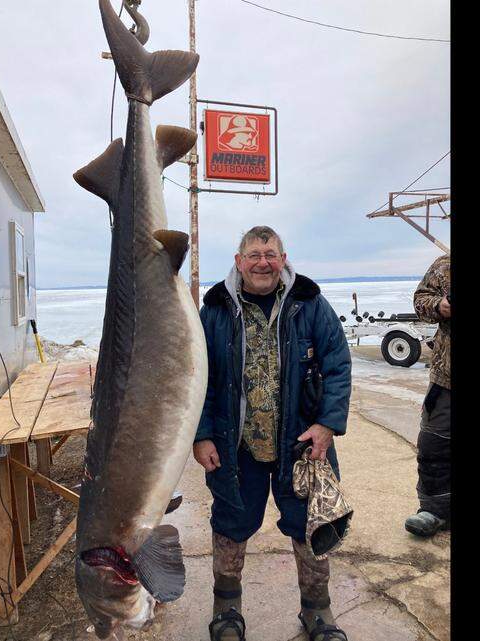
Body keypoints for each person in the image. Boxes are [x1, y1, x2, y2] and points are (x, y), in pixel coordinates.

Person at [193, 226, 352, 641]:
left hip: (301, 444)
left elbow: (337, 364)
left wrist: (327, 424)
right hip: (235, 443)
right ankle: (227, 609)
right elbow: (198, 379)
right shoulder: (214, 309)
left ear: (283, 259)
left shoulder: (309, 302)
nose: (262, 262)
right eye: (254, 254)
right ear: (238, 260)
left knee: (308, 524)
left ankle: (318, 611)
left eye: (271, 254)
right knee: (231, 522)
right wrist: (203, 434)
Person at [405, 253, 451, 537]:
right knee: (434, 445)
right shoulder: (445, 266)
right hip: (446, 380)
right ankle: (434, 510)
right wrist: (440, 306)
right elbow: (420, 300)